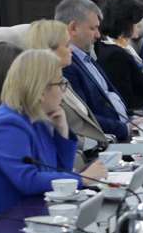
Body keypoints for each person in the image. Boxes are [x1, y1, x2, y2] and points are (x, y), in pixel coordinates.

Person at [0, 50, 107, 216]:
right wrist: (83, 179)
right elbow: (28, 180)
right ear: (40, 90)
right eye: (60, 84)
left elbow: (60, 171)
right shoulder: (7, 125)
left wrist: (62, 132)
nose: (63, 91)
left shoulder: (36, 118)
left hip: (28, 211)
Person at [26, 20, 109, 155]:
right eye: (66, 45)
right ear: (49, 50)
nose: (71, 49)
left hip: (96, 151)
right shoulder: (43, 90)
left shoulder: (63, 80)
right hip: (79, 158)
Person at [54, 0, 131, 142]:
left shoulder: (87, 57)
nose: (98, 35)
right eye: (93, 28)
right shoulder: (67, 66)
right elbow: (86, 119)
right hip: (111, 140)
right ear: (73, 28)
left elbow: (109, 101)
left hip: (127, 128)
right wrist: (126, 129)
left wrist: (135, 118)